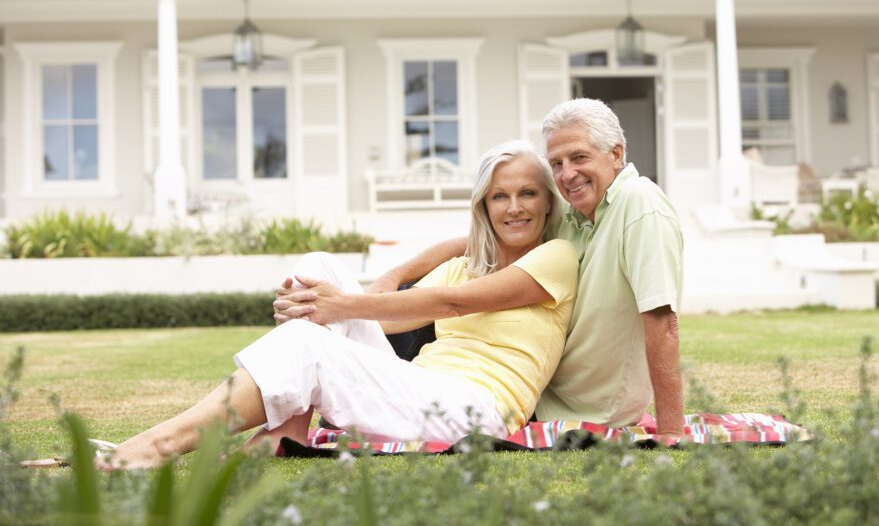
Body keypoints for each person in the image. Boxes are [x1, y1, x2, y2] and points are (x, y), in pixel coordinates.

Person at [104, 140, 578, 469]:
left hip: (477, 410)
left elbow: (453, 304)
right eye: (500, 196)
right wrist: (316, 306)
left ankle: (158, 444)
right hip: (424, 386)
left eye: (527, 193)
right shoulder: (469, 264)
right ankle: (286, 431)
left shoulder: (555, 258)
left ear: (548, 202)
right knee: (318, 266)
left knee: (311, 340)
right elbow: (386, 315)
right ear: (484, 206)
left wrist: (333, 311)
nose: (514, 207)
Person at [276, 99, 686, 439]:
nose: (567, 174)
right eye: (557, 163)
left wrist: (672, 431)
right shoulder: (577, 218)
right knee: (317, 269)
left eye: (579, 157)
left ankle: (301, 407)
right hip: (527, 394)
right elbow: (481, 240)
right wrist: (394, 276)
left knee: (327, 327)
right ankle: (292, 431)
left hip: (587, 408)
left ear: (616, 153)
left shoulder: (637, 202)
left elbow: (662, 319)